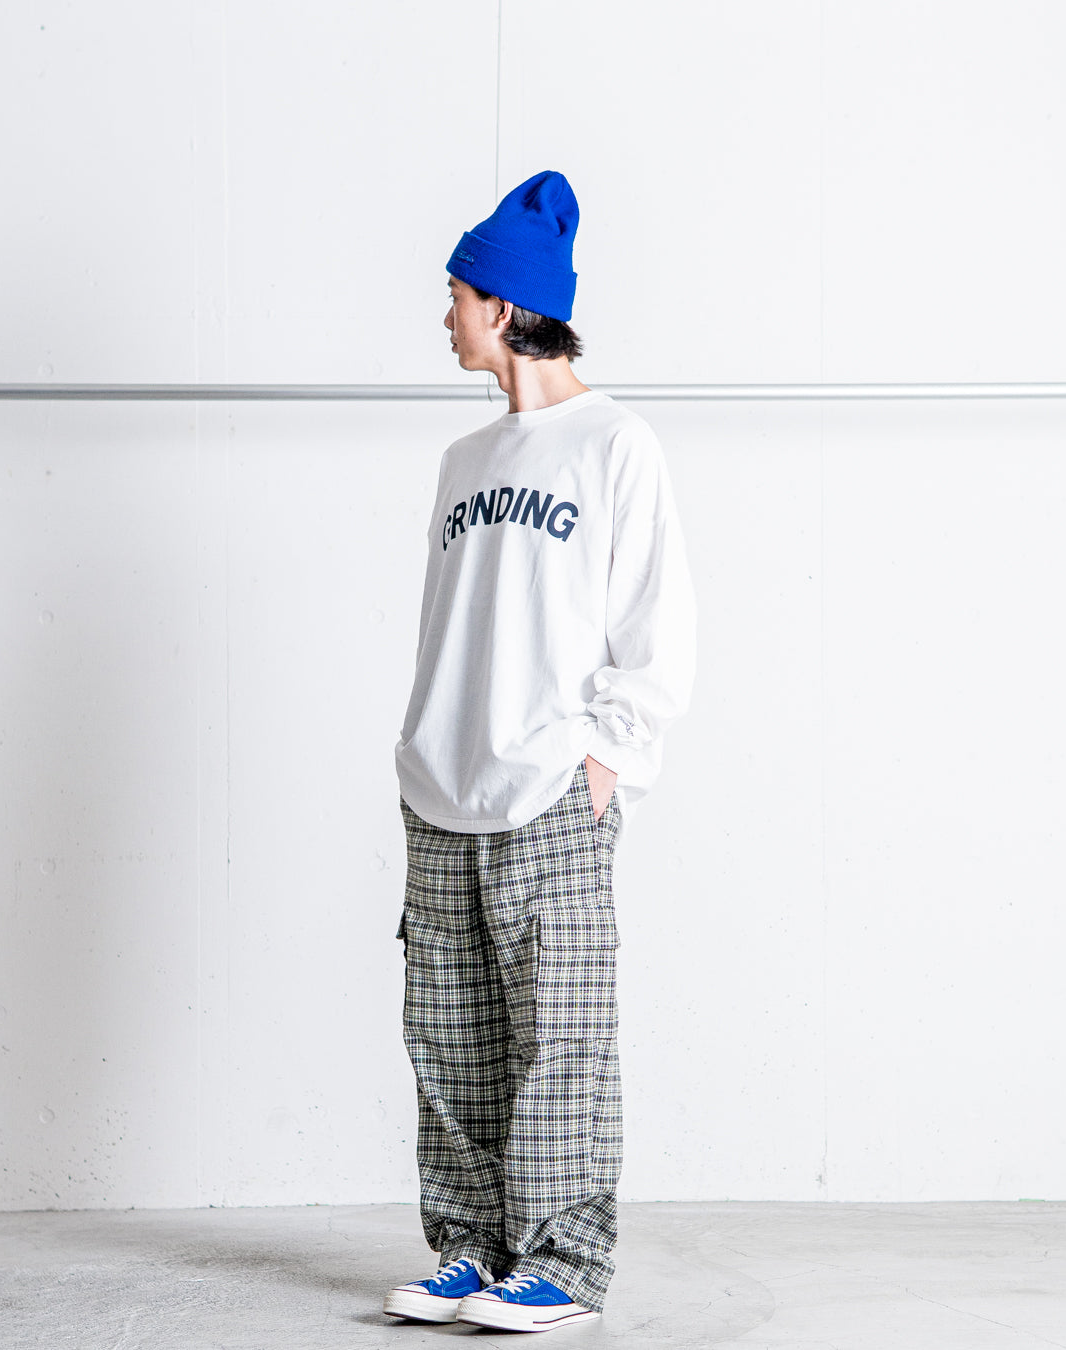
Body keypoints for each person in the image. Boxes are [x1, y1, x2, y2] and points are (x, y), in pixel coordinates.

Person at [383, 170, 696, 1333]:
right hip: (441, 790)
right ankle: (471, 1248)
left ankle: (561, 1265)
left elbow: (658, 625)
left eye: (457, 296)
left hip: (551, 791)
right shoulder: (464, 459)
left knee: (559, 1035)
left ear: (506, 307)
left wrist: (608, 764)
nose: (446, 316)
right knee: (449, 1037)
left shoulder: (614, 443)